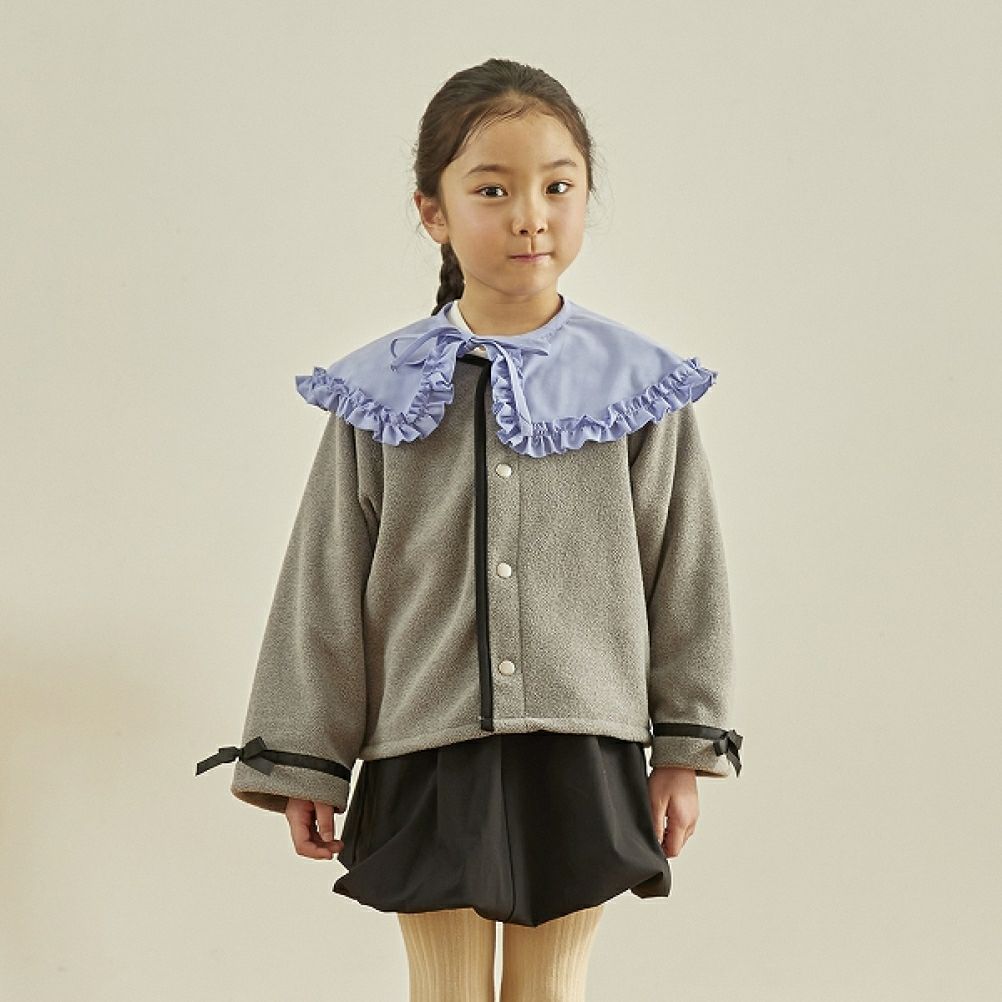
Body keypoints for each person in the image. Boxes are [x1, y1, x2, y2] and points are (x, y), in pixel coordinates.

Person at [195, 57, 744, 1002]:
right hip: (425, 745)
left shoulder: (640, 387)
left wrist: (684, 750)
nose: (531, 215)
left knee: (553, 988)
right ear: (433, 212)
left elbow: (684, 570)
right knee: (443, 988)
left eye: (558, 187)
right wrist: (306, 761)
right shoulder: (379, 393)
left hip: (585, 747)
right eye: (493, 190)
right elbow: (325, 581)